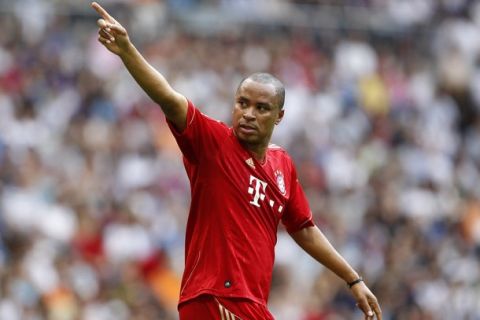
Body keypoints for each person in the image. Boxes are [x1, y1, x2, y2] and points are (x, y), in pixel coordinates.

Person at [91, 2, 382, 319]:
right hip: (214, 297)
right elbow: (168, 98)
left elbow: (305, 229)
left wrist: (353, 279)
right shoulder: (213, 143)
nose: (248, 114)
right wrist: (127, 50)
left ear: (279, 117)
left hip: (253, 306)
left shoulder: (282, 164)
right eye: (243, 103)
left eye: (261, 108)